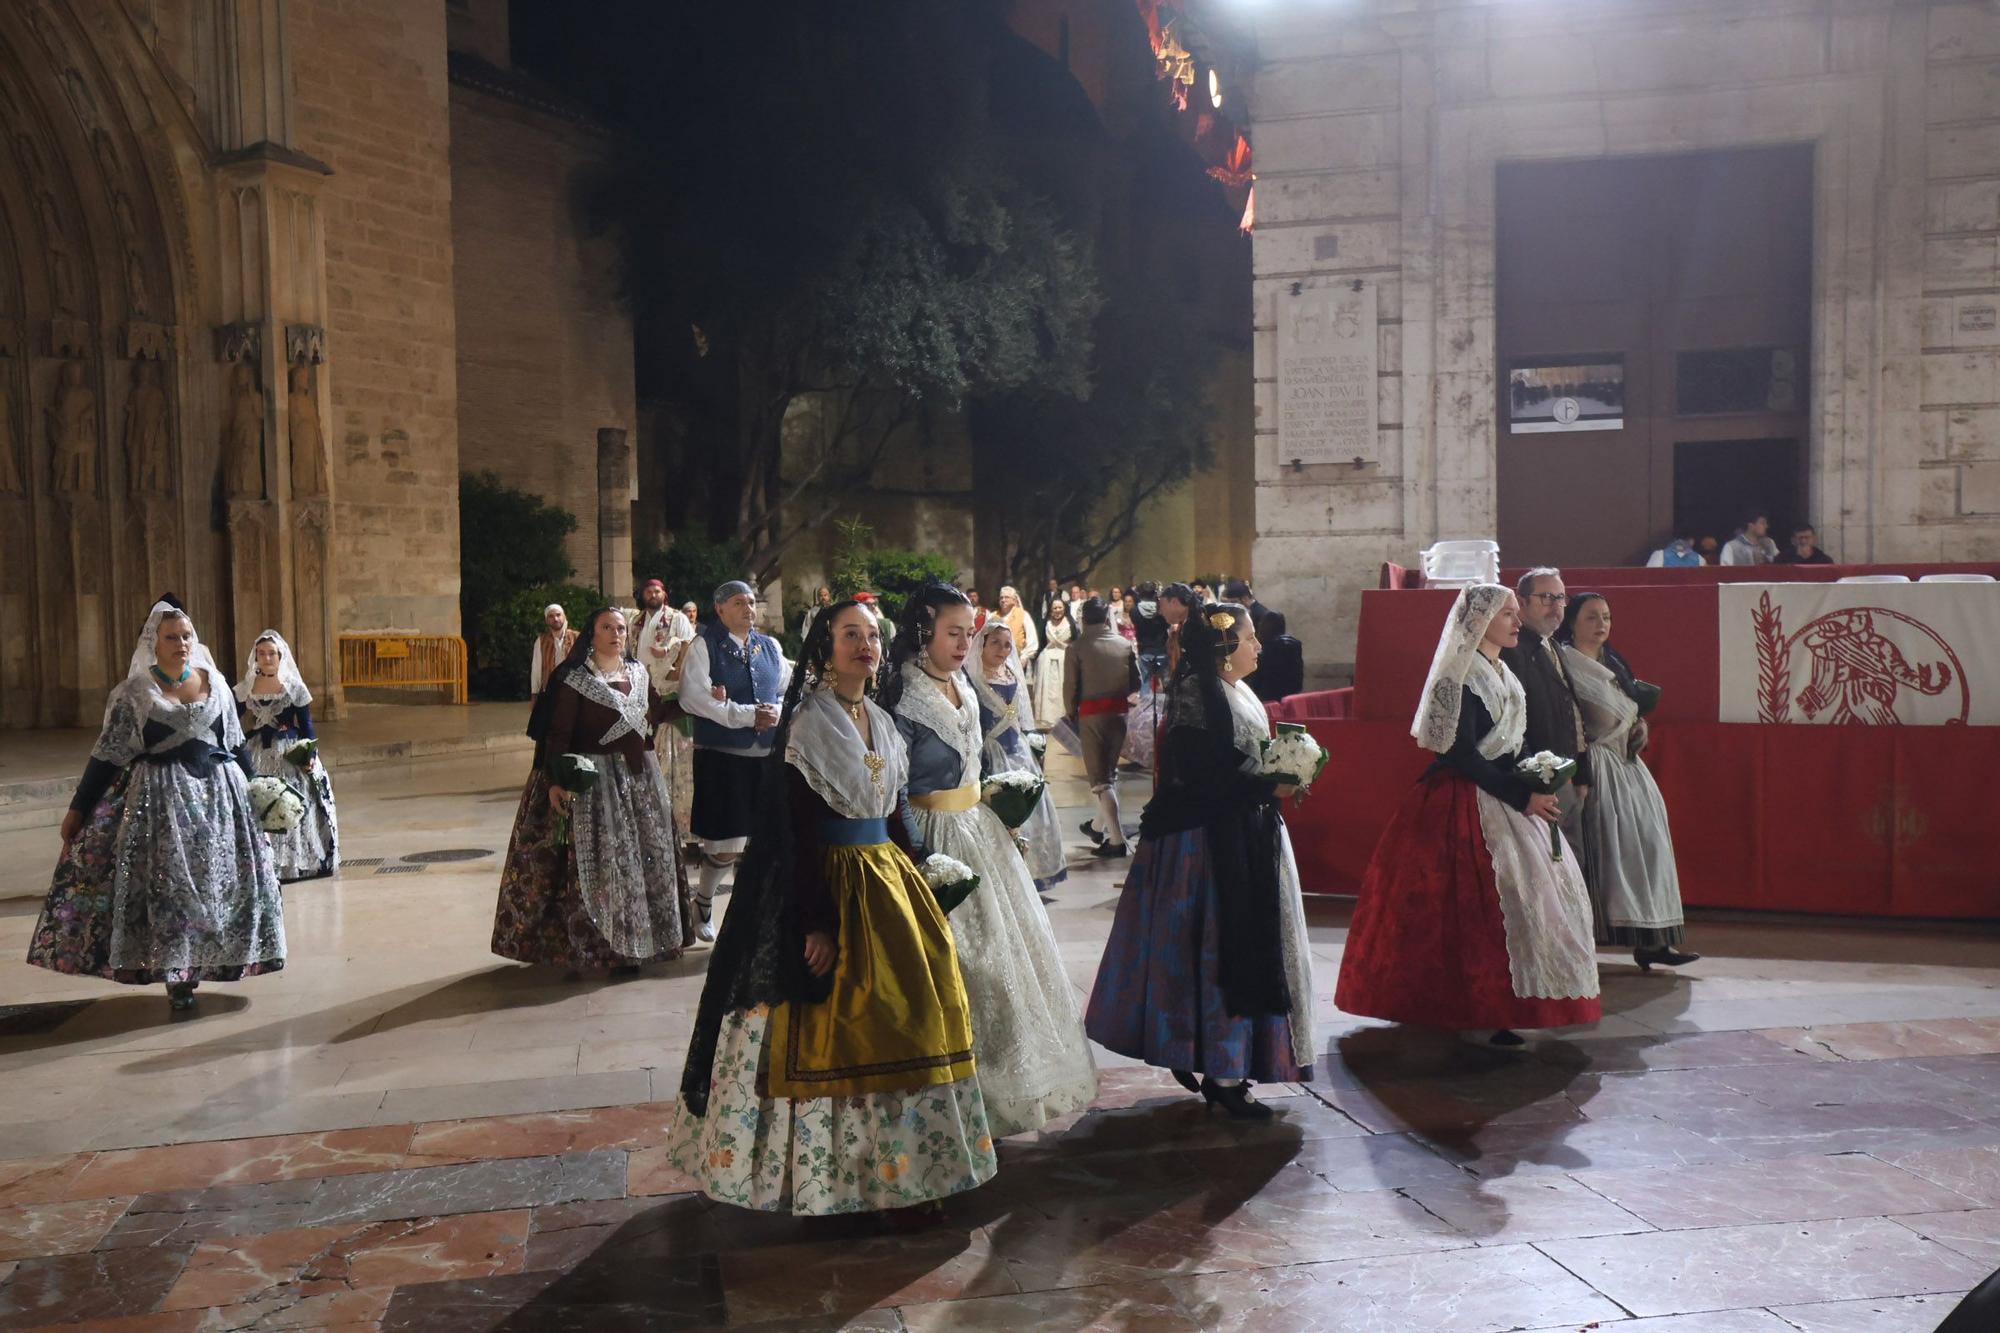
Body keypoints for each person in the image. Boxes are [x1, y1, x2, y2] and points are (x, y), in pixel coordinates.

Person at [668, 599, 995, 1219]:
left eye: (872, 636)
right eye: (851, 635)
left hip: (889, 886)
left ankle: (909, 1173)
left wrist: (923, 875)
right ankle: (835, 1181)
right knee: (836, 1029)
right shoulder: (808, 723)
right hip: (829, 883)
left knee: (914, 1016)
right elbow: (795, 829)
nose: (865, 646)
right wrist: (812, 919)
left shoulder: (881, 717)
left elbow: (893, 813)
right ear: (825, 647)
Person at [1333, 585, 1601, 1042]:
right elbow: (1461, 756)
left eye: (1518, 614)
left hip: (1509, 796)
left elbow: (1517, 743)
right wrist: (1522, 797)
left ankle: (1506, 1006)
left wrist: (1539, 775)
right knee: (1474, 907)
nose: (1518, 622)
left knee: (1524, 902)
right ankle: (1468, 1006)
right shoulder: (1458, 678)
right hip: (1463, 802)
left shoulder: (1506, 674)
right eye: (1508, 614)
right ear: (1480, 621)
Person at [1085, 602, 1315, 1119]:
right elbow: (1198, 775)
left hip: (1245, 832)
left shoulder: (1238, 689)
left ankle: (1229, 1066)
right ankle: (1220, 1069)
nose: (1259, 646)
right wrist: (1264, 783)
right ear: (1225, 648)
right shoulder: (1198, 693)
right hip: (1209, 846)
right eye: (1250, 638)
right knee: (1214, 954)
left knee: (1241, 950)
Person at [884, 584, 1097, 1135]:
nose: (961, 644)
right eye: (951, 633)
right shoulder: (900, 697)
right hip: (931, 836)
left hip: (981, 834)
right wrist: (921, 856)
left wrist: (1000, 807)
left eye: (966, 633)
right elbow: (894, 789)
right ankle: (949, 1106)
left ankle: (998, 1093)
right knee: (958, 968)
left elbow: (975, 760)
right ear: (923, 633)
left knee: (1004, 968)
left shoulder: (961, 683)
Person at [28, 599, 286, 1012]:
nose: (181, 643)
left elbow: (235, 744)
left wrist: (260, 791)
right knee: (172, 890)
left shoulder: (215, 682)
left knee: (219, 884)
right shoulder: (134, 694)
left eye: (186, 635)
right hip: (162, 802)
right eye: (172, 637)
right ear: (154, 643)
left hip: (220, 800)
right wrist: (79, 809)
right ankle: (177, 974)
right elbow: (106, 755)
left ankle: (218, 959)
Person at [493, 607, 691, 973]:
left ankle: (641, 940)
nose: (616, 634)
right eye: (606, 628)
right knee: (603, 865)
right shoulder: (572, 679)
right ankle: (601, 947)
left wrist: (698, 701)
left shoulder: (638, 673)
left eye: (620, 628)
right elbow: (559, 735)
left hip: (639, 780)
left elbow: (655, 715)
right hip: (595, 783)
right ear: (592, 634)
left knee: (641, 859)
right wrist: (555, 781)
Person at [1558, 594, 1698, 971]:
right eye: (1591, 617)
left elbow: (1630, 708)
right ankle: (1593, 941)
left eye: (1605, 617)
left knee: (1650, 850)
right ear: (1572, 622)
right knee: (1610, 857)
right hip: (1597, 768)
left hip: (1629, 768)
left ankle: (1655, 940)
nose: (1601, 624)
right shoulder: (1564, 663)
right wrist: (1581, 772)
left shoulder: (1613, 661)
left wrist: (1640, 725)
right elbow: (1568, 722)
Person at [679, 580, 792, 942]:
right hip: (725, 760)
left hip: (767, 759)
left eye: (751, 602)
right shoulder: (705, 644)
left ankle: (756, 916)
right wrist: (745, 715)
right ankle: (704, 901)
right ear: (721, 610)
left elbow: (791, 688)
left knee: (766, 843)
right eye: (740, 603)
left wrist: (776, 710)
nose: (749, 609)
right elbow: (692, 698)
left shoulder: (770, 647)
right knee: (726, 848)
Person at [1500, 567, 1593, 858]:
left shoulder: (1552, 644)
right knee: (1555, 860)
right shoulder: (1514, 651)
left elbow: (1572, 711)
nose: (1556, 606)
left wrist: (1582, 772)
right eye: (1546, 597)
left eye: (1561, 598)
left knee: (1573, 858)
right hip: (1541, 780)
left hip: (1566, 772)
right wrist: (1536, 782)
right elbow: (1516, 723)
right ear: (1522, 602)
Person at [235, 630, 339, 882]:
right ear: (255, 657)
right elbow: (230, 719)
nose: (267, 658)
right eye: (261, 653)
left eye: (271, 653)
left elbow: (307, 725)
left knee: (294, 799)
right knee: (258, 800)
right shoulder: (246, 687)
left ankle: (294, 860)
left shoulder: (293, 686)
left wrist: (309, 754)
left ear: (280, 656)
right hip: (258, 749)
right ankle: (264, 861)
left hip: (287, 751)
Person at [970, 619, 1066, 891]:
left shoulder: (1012, 673)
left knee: (1032, 807)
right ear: (982, 644)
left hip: (1018, 750)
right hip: (991, 753)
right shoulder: (973, 678)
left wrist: (1033, 742)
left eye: (1007, 645)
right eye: (995, 643)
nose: (1002, 650)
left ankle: (1030, 871)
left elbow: (1023, 715)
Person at [1066, 597, 1140, 858]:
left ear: (1083, 619)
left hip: (1091, 716)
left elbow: (1071, 688)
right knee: (1109, 774)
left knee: (1100, 781)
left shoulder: (1076, 648)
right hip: (1119, 714)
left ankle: (1117, 841)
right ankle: (1097, 827)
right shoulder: (1123, 644)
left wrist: (1069, 714)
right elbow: (1136, 682)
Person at [629, 578, 696, 847]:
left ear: (664, 594)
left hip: (670, 696)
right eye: (648, 591)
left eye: (656, 591)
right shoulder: (636, 622)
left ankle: (683, 831)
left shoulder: (677, 618)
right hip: (641, 692)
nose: (652, 594)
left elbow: (690, 649)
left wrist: (669, 649)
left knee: (676, 763)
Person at [1031, 597, 1073, 731]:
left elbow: (1076, 642)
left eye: (1060, 607)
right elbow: (1041, 642)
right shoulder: (1045, 623)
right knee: (1047, 691)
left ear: (1064, 608)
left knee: (1062, 690)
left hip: (1064, 659)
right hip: (1047, 660)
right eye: (1055, 608)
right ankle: (1048, 720)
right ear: (1050, 609)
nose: (1057, 610)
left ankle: (1064, 719)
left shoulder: (1070, 623)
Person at [1250, 611, 1305, 702]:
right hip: (1291, 695)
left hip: (1270, 696)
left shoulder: (1268, 647)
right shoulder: (1295, 644)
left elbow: (1261, 675)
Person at [530, 603, 578, 698]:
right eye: (551, 616)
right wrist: (534, 694)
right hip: (550, 691)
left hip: (574, 691)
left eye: (558, 615)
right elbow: (536, 669)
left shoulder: (577, 637)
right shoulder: (541, 641)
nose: (555, 619)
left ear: (564, 616)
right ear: (546, 620)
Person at [1130, 582, 1170, 692]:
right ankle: (1165, 707)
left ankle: (1146, 708)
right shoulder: (1161, 610)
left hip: (1144, 650)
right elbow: (1168, 624)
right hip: (1161, 649)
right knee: (1165, 682)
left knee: (1146, 682)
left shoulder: (1134, 611)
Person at [994, 585, 1039, 661]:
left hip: (1017, 660)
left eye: (1006, 597)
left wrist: (1024, 657)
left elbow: (1032, 639)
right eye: (1001, 598)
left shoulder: (1023, 615)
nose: (1003, 600)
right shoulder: (993, 616)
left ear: (1014, 600)